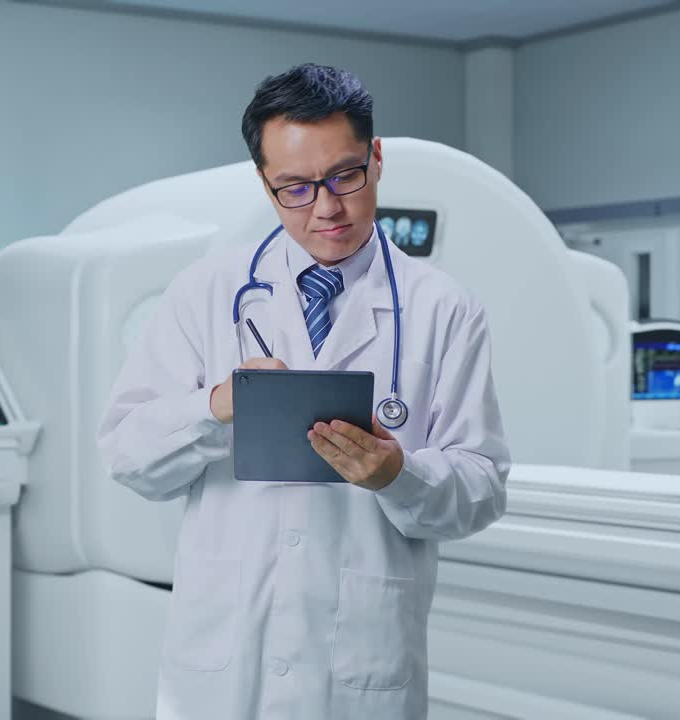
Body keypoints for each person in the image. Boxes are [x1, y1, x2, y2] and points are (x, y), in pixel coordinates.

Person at [97, 63, 509, 720]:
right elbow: (126, 453)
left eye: (345, 175)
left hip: (361, 670)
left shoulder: (445, 311)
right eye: (294, 187)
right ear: (264, 183)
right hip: (225, 666)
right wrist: (215, 406)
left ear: (376, 159)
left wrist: (400, 474)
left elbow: (482, 487)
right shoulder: (206, 294)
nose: (327, 207)